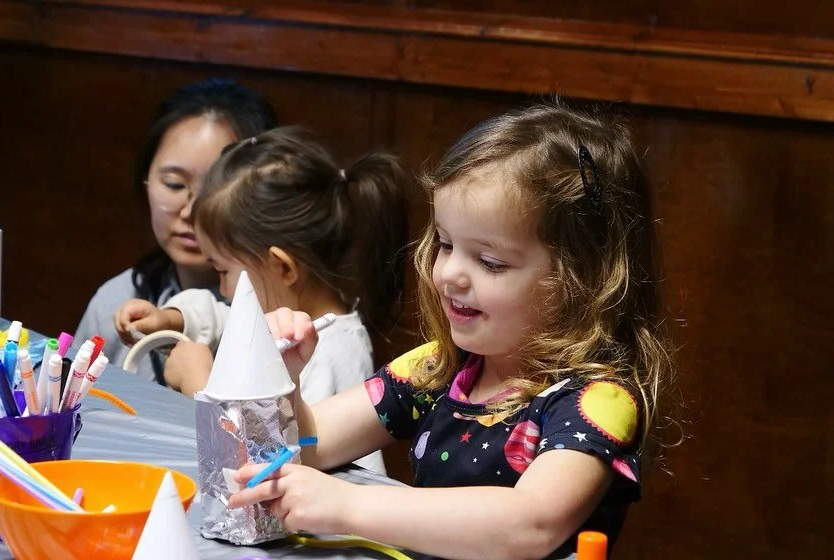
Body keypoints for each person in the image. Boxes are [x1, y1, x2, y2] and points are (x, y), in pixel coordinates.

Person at [228, 101, 675, 560]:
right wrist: (282, 377)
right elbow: (311, 443)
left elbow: (530, 525)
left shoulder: (595, 401)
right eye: (445, 243)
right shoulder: (439, 368)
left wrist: (349, 505)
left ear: (580, 281)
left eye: (490, 261)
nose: (449, 274)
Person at [114, 127, 410, 473]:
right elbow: (223, 314)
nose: (222, 289)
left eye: (222, 271)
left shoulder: (329, 357)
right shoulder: (289, 310)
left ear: (282, 267)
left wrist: (200, 384)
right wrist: (173, 318)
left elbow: (272, 457)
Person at [75, 79, 276, 383]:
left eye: (215, 190)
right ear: (145, 181)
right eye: (174, 184)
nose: (190, 212)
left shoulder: (280, 323)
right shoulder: (118, 300)